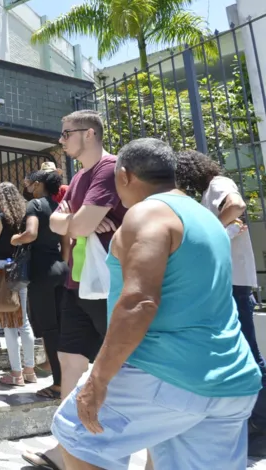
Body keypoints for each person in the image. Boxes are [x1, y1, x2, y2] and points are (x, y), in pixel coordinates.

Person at [52, 137, 262, 470]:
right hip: (232, 379)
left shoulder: (145, 213)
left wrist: (99, 379)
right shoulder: (206, 217)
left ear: (124, 175)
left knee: (77, 433)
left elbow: (139, 302)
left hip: (167, 375)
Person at [24, 110, 126, 470]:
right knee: (68, 362)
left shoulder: (110, 169)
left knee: (119, 368)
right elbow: (58, 221)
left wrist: (74, 220)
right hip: (77, 282)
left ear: (88, 134)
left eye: (66, 134)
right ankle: (67, 447)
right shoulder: (80, 176)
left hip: (109, 287)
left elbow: (77, 224)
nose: (62, 140)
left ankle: (109, 445)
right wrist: (74, 221)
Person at [176, 149, 266, 455]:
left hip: (234, 283)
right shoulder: (209, 191)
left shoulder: (218, 182)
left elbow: (237, 205)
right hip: (228, 282)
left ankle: (262, 423)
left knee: (249, 353)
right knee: (238, 351)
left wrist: (209, 229)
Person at [13, 169, 68, 399]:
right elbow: (66, 241)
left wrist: (15, 239)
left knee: (49, 330)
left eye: (29, 182)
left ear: (37, 184)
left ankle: (58, 384)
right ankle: (68, 377)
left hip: (41, 272)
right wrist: (62, 264)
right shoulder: (59, 207)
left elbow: (31, 233)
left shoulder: (34, 205)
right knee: (63, 327)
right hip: (60, 269)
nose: (27, 185)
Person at [0, 182, 36, 387]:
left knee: (8, 324)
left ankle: (16, 374)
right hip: (20, 270)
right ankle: (30, 371)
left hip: (1, 269)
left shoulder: (0, 218)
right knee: (23, 321)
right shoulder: (26, 217)